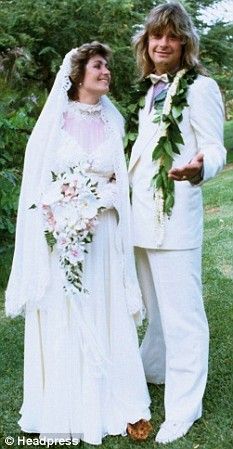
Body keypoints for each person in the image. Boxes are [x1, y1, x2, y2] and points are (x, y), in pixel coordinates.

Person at [5, 42, 152, 445]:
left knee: (104, 306)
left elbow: (119, 181)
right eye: (99, 66)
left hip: (103, 235)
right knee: (66, 310)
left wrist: (101, 199)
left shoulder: (113, 121)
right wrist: (62, 206)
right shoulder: (56, 120)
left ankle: (111, 401)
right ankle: (64, 405)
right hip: (63, 236)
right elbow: (39, 182)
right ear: (78, 74)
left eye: (107, 67)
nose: (106, 72)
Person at [128, 2, 226, 444]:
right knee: (156, 313)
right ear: (146, 43)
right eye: (155, 36)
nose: (162, 43)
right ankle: (154, 370)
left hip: (174, 220)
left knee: (184, 318)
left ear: (184, 41)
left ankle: (184, 409)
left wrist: (200, 168)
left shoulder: (200, 87)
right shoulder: (149, 92)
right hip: (139, 222)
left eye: (171, 36)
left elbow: (215, 148)